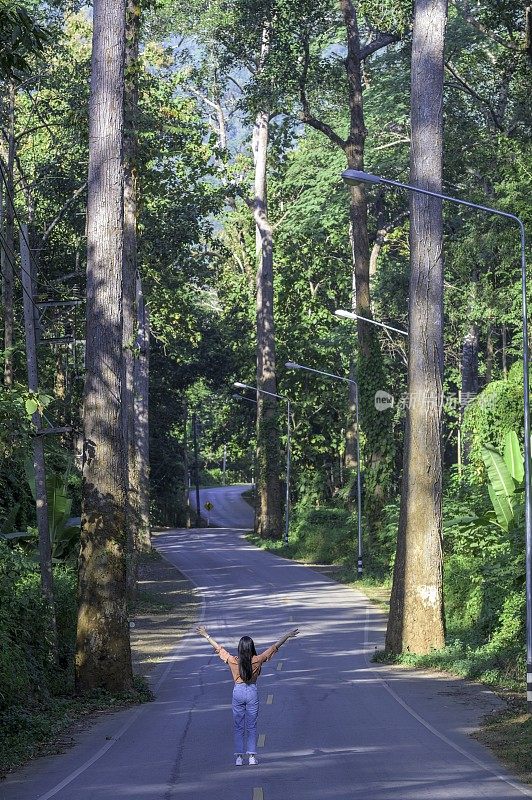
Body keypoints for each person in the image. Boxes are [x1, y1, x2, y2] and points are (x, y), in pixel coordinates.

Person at [196, 624, 299, 766]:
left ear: (240, 648)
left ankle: (239, 757)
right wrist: (287, 635)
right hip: (252, 692)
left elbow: (219, 649)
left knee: (238, 725)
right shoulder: (257, 659)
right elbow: (274, 648)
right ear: (251, 648)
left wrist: (205, 635)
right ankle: (251, 756)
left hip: (237, 692)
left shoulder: (233, 660)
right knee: (251, 725)